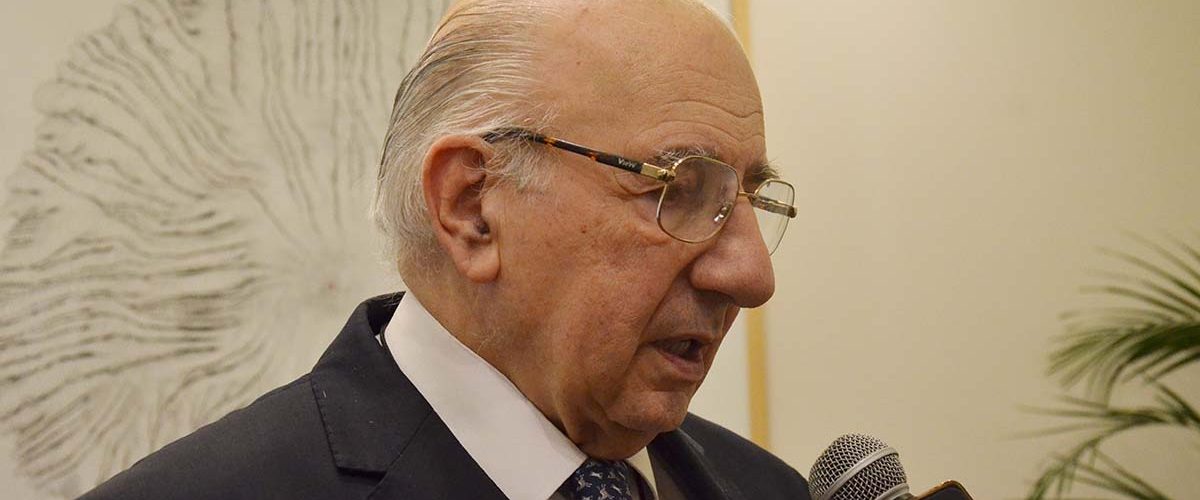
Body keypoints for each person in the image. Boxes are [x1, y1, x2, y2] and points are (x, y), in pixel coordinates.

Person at [82, 0, 808, 498]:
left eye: (752, 196)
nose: (752, 274)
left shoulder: (769, 489)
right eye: (681, 189)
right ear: (472, 208)